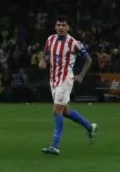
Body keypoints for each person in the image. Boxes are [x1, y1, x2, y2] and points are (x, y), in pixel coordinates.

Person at [39, 15, 98, 155]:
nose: (60, 27)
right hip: (53, 79)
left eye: (63, 25)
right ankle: (90, 127)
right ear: (55, 27)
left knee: (56, 111)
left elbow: (88, 59)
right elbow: (47, 53)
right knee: (65, 111)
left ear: (68, 27)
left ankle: (55, 146)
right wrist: (43, 60)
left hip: (66, 79)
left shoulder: (73, 43)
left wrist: (81, 75)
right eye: (58, 25)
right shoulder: (50, 39)